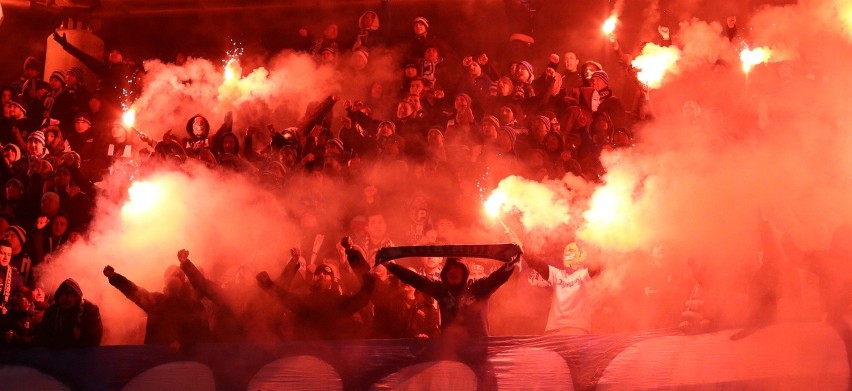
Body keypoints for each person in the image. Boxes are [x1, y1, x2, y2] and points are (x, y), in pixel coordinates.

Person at [256, 241, 376, 340]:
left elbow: (365, 294)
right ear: (314, 279)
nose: (322, 275)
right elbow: (284, 297)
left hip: (336, 356)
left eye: (327, 273)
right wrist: (268, 284)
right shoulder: (305, 301)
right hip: (308, 356)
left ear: (333, 279)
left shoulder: (342, 302)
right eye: (318, 273)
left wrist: (352, 252)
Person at [383, 255, 520, 338]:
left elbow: (497, 278)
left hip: (478, 349)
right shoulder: (441, 289)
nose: (452, 271)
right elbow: (415, 279)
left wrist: (511, 262)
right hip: (450, 351)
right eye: (449, 268)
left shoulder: (478, 287)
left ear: (465, 270)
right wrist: (390, 266)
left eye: (457, 267)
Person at [103, 264, 209, 348]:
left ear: (182, 281)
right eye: (169, 278)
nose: (172, 281)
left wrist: (182, 343)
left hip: (187, 362)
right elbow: (133, 290)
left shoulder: (193, 304)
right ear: (165, 281)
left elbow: (203, 333)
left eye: (176, 277)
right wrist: (114, 277)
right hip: (154, 359)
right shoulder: (155, 301)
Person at [524, 242, 600, 335]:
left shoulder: (584, 274)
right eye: (565, 251)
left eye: (571, 250)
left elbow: (601, 265)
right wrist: (521, 246)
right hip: (553, 329)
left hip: (577, 329)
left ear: (579, 256)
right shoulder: (557, 274)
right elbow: (536, 263)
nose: (567, 253)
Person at [38, 278, 102, 348]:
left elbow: (92, 341)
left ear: (77, 296)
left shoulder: (90, 310)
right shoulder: (51, 311)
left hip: (82, 356)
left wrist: (60, 340)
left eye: (67, 294)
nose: (63, 298)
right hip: (55, 355)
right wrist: (72, 336)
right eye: (61, 294)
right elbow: (44, 337)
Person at [0, 240, 23, 311]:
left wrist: (8, 308)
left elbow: (19, 300)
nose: (6, 258)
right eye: (3, 253)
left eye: (9, 255)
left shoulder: (15, 276)